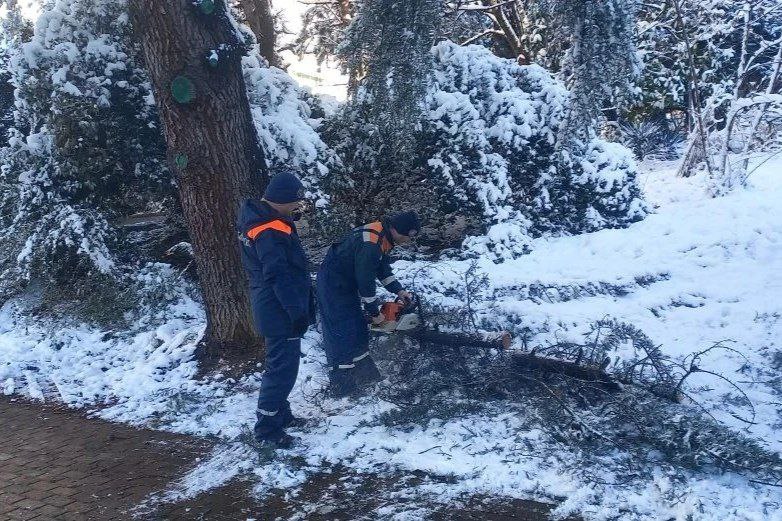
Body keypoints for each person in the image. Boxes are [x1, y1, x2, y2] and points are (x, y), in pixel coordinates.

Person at [237, 169, 314, 449]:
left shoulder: (263, 218)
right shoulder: (268, 229)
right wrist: (297, 311)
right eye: (295, 201)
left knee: (283, 366)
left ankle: (281, 415)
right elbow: (278, 274)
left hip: (274, 304)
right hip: (278, 308)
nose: (298, 206)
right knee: (281, 370)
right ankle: (267, 430)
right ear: (280, 199)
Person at [316, 211, 420, 397]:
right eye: (406, 236)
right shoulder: (371, 243)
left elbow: (382, 270)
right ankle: (342, 387)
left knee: (357, 327)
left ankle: (366, 377)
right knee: (341, 330)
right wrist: (375, 313)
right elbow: (365, 281)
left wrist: (400, 291)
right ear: (398, 230)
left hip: (347, 283)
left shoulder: (383, 236)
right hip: (333, 284)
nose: (407, 240)